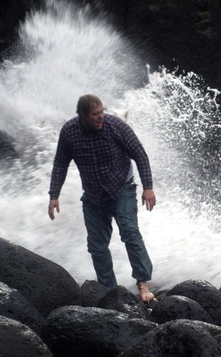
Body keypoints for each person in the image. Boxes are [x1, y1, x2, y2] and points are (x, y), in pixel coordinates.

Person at [48, 94, 156, 302]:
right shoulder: (69, 132)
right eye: (95, 114)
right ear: (82, 115)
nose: (100, 117)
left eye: (102, 112)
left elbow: (140, 154)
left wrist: (148, 187)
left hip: (121, 188)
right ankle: (109, 291)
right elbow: (60, 163)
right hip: (93, 195)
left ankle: (143, 283)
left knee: (130, 232)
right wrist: (54, 196)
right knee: (97, 246)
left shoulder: (115, 126)